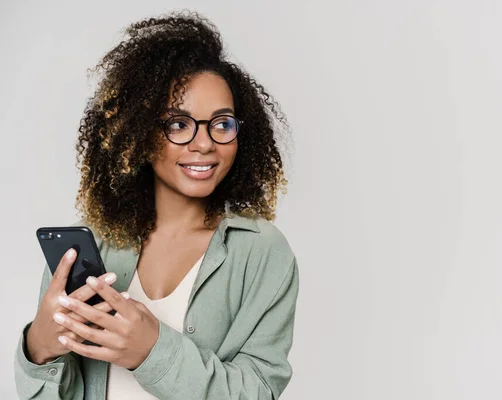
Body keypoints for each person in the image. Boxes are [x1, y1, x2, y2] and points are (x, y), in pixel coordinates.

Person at [14, 11, 299, 400]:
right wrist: (39, 349)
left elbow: (259, 391)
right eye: (179, 124)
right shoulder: (90, 246)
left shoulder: (261, 251)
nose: (204, 143)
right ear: (139, 132)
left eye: (222, 123)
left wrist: (152, 352)